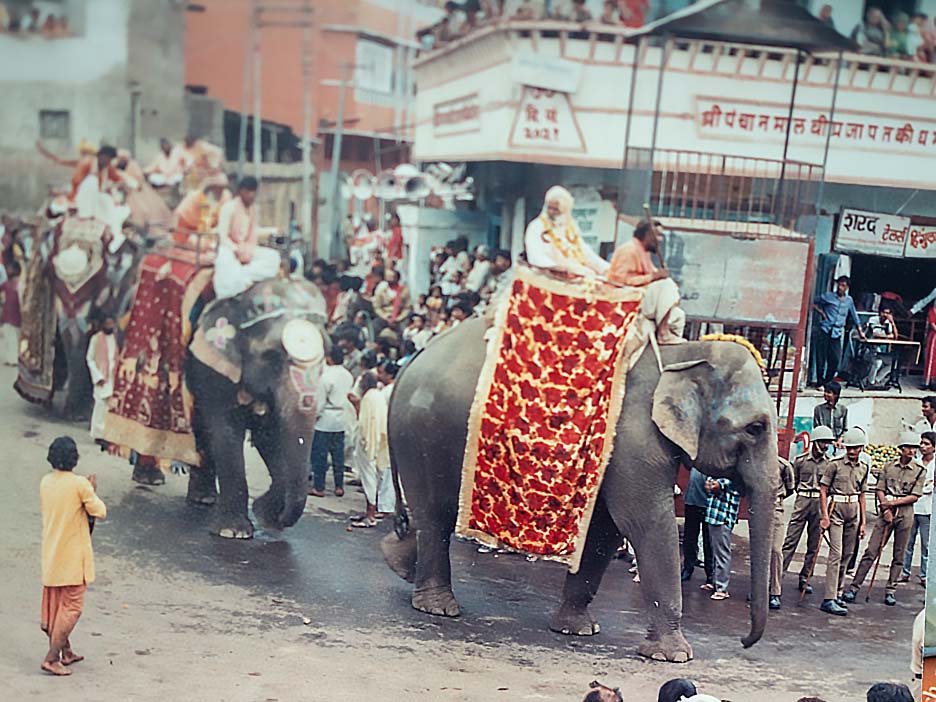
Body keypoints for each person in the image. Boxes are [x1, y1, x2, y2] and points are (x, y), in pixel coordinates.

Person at [39, 436, 107, 676]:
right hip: (73, 559)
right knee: (72, 607)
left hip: (52, 555)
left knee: (56, 605)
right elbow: (100, 510)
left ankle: (66, 652)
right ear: (74, 459)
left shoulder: (46, 482)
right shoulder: (79, 484)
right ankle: (51, 657)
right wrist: (92, 491)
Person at [844, 432, 925, 606]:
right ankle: (854, 587)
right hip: (886, 510)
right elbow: (880, 488)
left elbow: (915, 496)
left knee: (899, 553)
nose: (911, 451)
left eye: (914, 448)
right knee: (871, 551)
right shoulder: (888, 467)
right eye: (908, 447)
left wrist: (892, 504)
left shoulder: (919, 470)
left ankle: (891, 590)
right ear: (901, 449)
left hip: (905, 512)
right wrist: (884, 506)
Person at [607, 219, 685, 344]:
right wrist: (653, 277)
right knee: (666, 285)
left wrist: (660, 275)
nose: (660, 240)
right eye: (658, 235)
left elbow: (654, 274)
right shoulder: (628, 250)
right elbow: (620, 281)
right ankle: (663, 334)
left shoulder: (644, 251)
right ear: (648, 235)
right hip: (626, 298)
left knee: (678, 315)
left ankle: (669, 343)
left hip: (642, 297)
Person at [819, 427, 869, 615]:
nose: (851, 451)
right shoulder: (834, 465)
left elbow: (863, 495)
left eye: (855, 447)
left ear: (861, 448)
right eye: (849, 447)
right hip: (836, 509)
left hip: (854, 510)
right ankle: (828, 598)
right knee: (836, 554)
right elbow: (823, 490)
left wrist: (863, 522)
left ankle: (838, 592)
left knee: (847, 555)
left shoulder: (864, 467)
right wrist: (824, 516)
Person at [782, 425, 835, 595]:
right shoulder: (800, 460)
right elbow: (793, 482)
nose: (825, 446)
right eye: (822, 442)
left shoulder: (829, 464)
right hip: (802, 500)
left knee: (814, 544)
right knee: (790, 541)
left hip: (820, 504)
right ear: (814, 442)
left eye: (828, 443)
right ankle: (777, 575)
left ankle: (805, 577)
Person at [213, 176, 280, 299]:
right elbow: (222, 236)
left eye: (254, 191)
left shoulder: (253, 210)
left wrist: (272, 231)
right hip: (228, 247)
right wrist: (236, 249)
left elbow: (253, 232)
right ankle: (234, 284)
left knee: (273, 257)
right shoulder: (229, 207)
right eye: (248, 191)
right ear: (241, 192)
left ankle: (243, 275)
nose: (252, 195)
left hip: (246, 247)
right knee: (225, 261)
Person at [525, 186, 609, 279]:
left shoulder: (570, 226)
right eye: (549, 208)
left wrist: (604, 268)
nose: (551, 212)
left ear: (565, 211)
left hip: (574, 277)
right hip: (547, 279)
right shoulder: (537, 227)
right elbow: (537, 258)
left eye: (556, 209)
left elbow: (585, 252)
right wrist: (567, 269)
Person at [308, 346, 354, 498]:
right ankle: (339, 485)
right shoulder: (348, 375)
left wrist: (314, 416)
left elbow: (320, 403)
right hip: (341, 418)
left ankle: (319, 487)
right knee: (338, 455)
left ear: (329, 358)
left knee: (320, 455)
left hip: (326, 419)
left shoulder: (326, 378)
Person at [812, 276, 866, 386]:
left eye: (843, 286)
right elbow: (813, 302)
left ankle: (827, 381)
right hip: (825, 330)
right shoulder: (828, 296)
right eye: (839, 285)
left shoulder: (849, 300)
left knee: (835, 359)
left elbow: (854, 316)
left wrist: (860, 332)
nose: (840, 288)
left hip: (836, 333)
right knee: (821, 358)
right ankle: (820, 382)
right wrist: (822, 313)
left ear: (847, 287)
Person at [900, 431, 934, 584]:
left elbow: (930, 486)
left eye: (927, 444)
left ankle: (924, 574)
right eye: (922, 443)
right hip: (912, 506)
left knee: (926, 544)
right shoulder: (915, 463)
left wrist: (926, 486)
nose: (922, 447)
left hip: (928, 508)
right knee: (908, 541)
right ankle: (904, 572)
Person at [702, 476, 741, 600]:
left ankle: (722, 588)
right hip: (713, 518)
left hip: (722, 520)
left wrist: (711, 484)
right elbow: (708, 485)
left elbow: (713, 486)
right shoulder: (719, 478)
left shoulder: (731, 479)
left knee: (722, 554)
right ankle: (715, 582)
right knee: (715, 552)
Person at [85, 313, 118, 443]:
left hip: (112, 377)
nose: (110, 326)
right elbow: (89, 359)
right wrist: (97, 376)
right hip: (101, 378)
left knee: (110, 407)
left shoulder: (115, 338)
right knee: (100, 406)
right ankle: (98, 434)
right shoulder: (96, 339)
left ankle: (108, 434)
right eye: (107, 323)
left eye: (111, 323)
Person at [770, 456, 796, 609]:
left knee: (776, 550)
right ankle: (758, 589)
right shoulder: (755, 461)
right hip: (759, 509)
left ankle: (775, 591)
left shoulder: (783, 465)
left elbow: (790, 489)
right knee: (759, 552)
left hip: (776, 509)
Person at [680, 467, 713, 587]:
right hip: (691, 500)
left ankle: (710, 573)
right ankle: (688, 567)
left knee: (708, 540)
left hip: (707, 502)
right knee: (689, 537)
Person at [864, 305, 898, 386]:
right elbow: (875, 334)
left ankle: (876, 380)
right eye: (883, 312)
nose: (885, 315)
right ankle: (870, 382)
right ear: (880, 313)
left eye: (887, 313)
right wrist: (888, 336)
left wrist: (892, 323)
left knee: (892, 363)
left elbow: (895, 336)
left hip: (878, 349)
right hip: (867, 349)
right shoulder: (873, 319)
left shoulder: (888, 322)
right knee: (877, 362)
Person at [0, 260, 20, 365]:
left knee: (10, 337)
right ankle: (12, 358)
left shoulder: (7, 284)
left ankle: (12, 359)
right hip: (17, 314)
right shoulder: (20, 282)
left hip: (9, 314)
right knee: (13, 337)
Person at [924, 304, 936, 390]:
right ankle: (927, 382)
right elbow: (932, 324)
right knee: (931, 359)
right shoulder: (933, 310)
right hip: (935, 337)